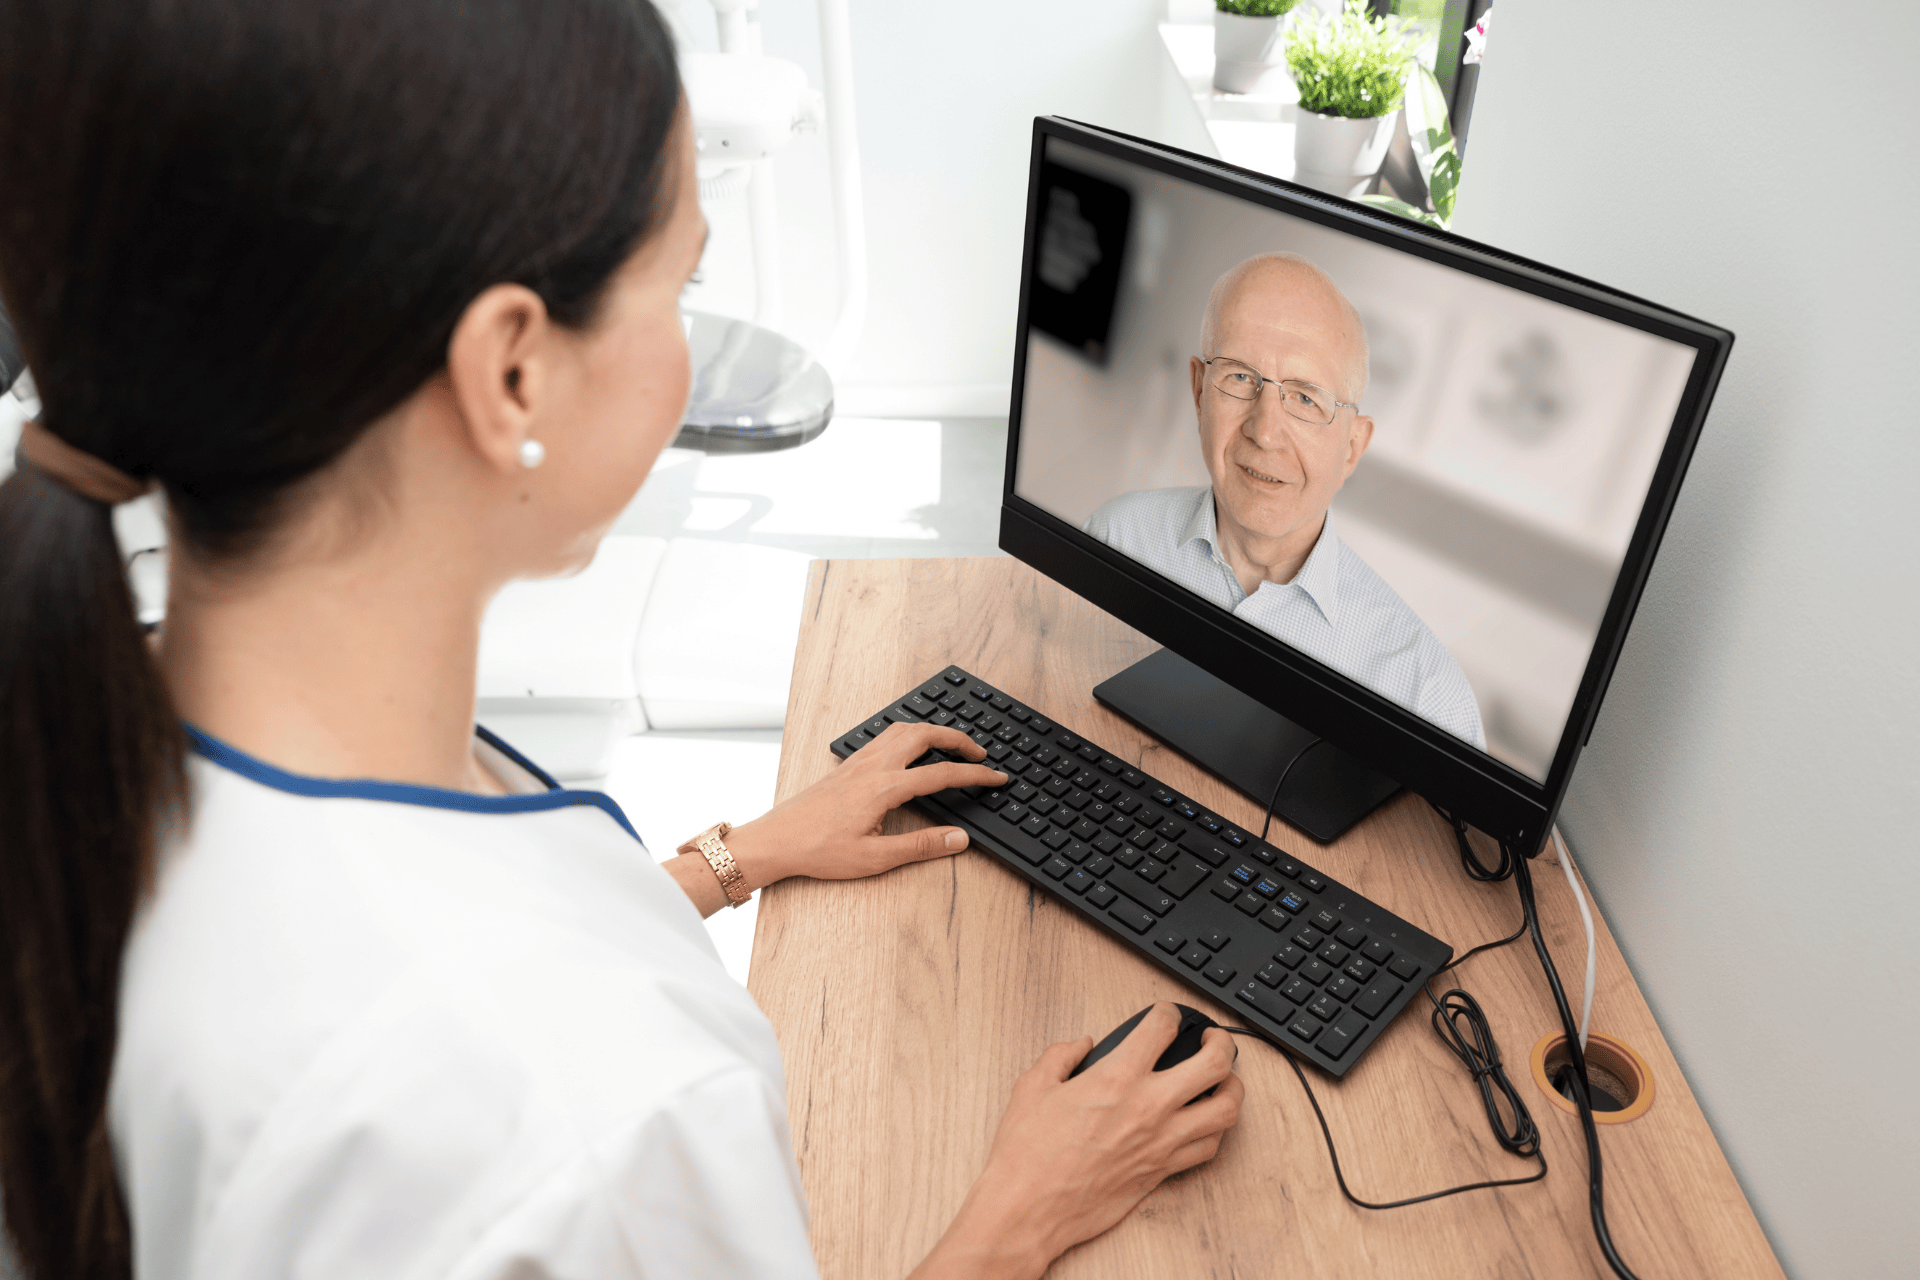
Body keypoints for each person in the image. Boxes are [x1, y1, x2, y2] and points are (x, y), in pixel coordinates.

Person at [0, 3, 1244, 1278]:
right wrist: (1020, 1211)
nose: (691, 341)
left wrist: (735, 855)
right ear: (514, 374)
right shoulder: (609, 1112)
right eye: (681, 282)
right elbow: (520, 1079)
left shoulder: (98, 738)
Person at [1084, 253, 1484, 748]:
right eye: (1239, 378)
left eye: (1305, 398)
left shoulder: (1425, 692)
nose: (1265, 432)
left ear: (1353, 448)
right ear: (1198, 391)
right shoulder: (1113, 539)